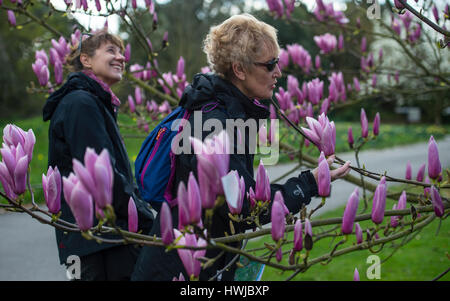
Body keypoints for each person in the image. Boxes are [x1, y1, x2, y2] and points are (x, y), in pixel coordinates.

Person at [131, 14, 350, 281]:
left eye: (277, 63)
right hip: (179, 268)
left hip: (202, 260)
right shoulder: (214, 124)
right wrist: (310, 183)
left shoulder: (227, 113)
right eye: (270, 65)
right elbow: (245, 207)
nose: (278, 73)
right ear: (240, 69)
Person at [43, 30, 154, 281]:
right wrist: (145, 218)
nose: (121, 57)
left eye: (121, 51)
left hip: (95, 238)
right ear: (86, 60)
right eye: (111, 51)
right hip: (99, 242)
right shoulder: (81, 103)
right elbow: (103, 174)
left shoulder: (92, 102)